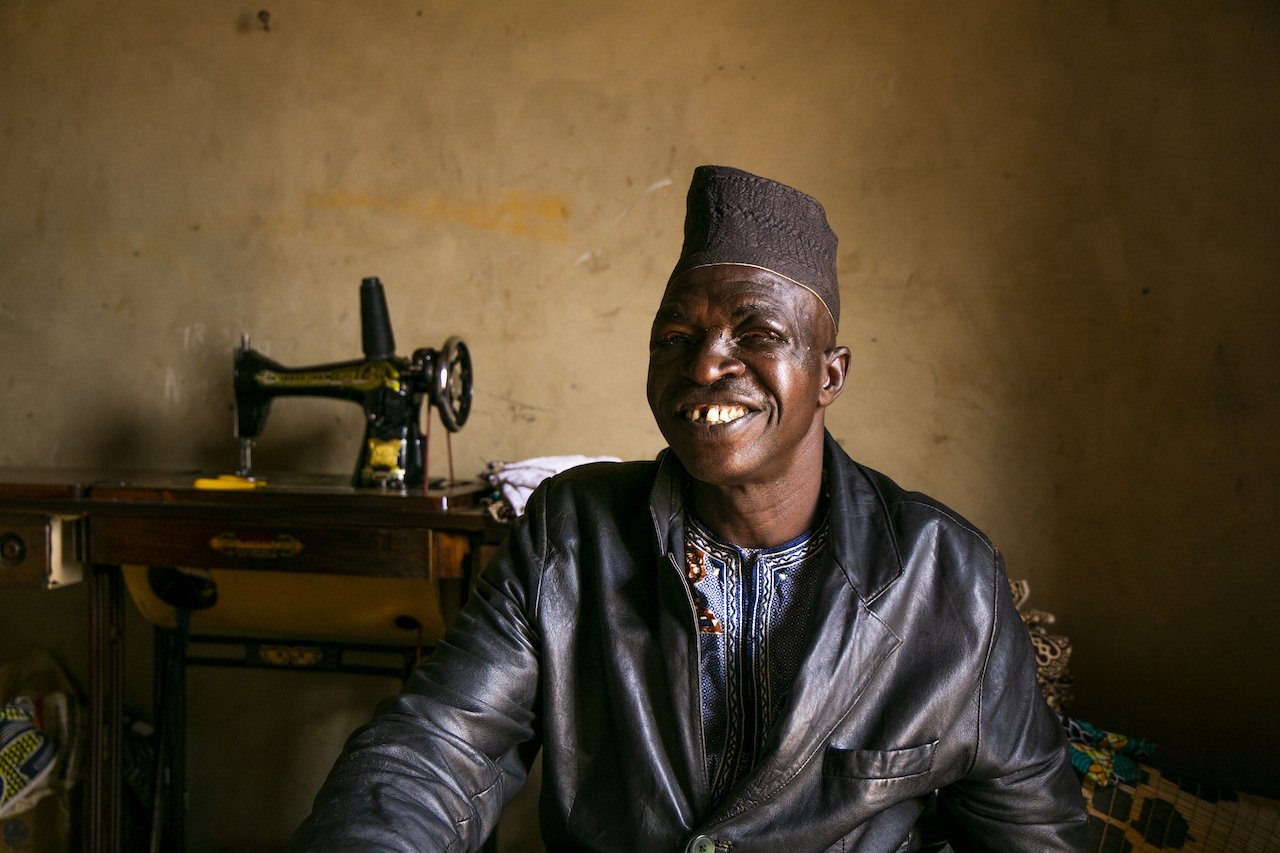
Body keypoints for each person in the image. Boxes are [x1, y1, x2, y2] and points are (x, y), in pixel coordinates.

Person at [291, 166, 1088, 852]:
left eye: (757, 331)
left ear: (830, 376)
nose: (705, 362)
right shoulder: (570, 535)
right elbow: (435, 748)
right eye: (676, 335)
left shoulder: (948, 576)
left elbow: (1035, 831)